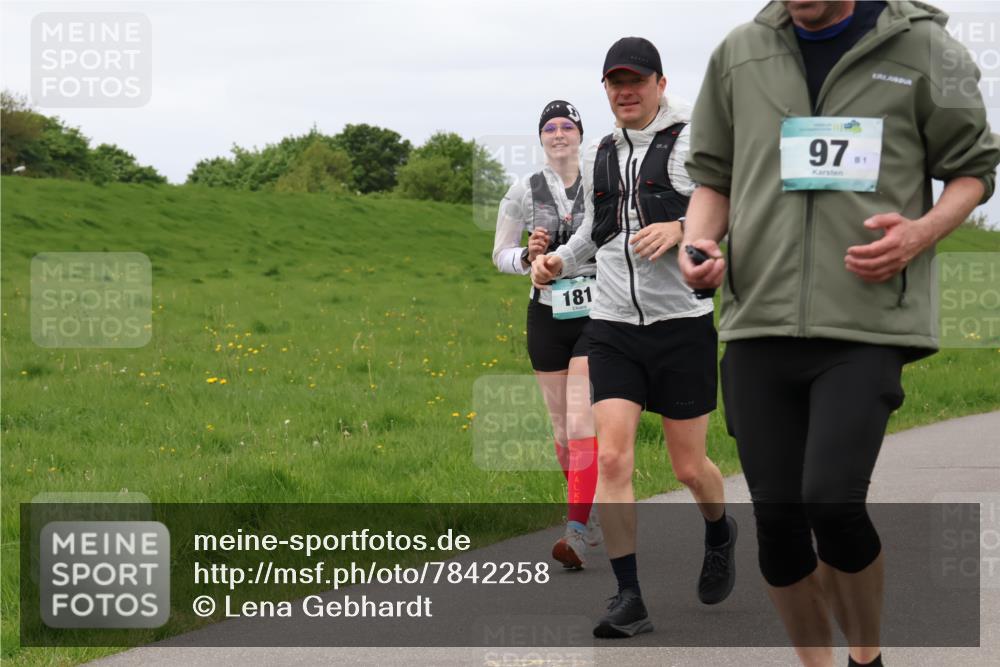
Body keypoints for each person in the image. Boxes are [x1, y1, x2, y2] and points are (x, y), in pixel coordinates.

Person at [681, 2, 1000, 665]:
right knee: (776, 524)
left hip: (866, 321)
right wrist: (698, 241)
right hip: (758, 319)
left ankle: (867, 655)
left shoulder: (925, 50)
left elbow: (972, 170)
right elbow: (714, 176)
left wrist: (920, 233)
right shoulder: (741, 52)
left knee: (831, 499)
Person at [532, 37, 737, 639]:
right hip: (614, 325)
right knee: (614, 456)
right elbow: (598, 232)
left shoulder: (695, 141)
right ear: (606, 91)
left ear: (660, 84)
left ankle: (720, 528)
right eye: (615, 83)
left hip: (682, 327)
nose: (626, 91)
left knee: (688, 466)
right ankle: (630, 598)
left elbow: (733, 207)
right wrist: (559, 264)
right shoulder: (602, 152)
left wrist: (680, 228)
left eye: (637, 81)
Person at [492, 100, 603, 569]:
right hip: (546, 314)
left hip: (598, 310)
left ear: (579, 134)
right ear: (541, 138)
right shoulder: (523, 189)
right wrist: (528, 259)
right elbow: (500, 253)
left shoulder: (602, 181)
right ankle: (587, 509)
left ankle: (575, 532)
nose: (559, 134)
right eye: (550, 127)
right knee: (561, 428)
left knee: (580, 421)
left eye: (567, 126)